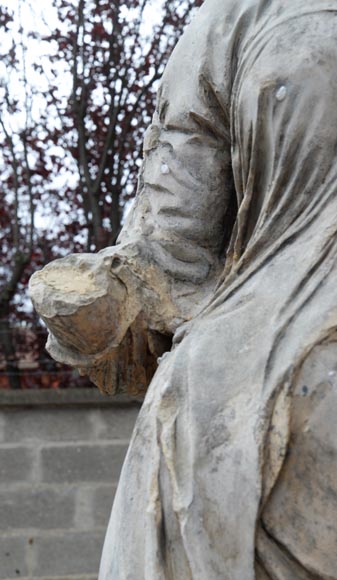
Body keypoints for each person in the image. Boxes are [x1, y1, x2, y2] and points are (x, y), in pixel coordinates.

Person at [30, 0, 337, 577]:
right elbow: (168, 256)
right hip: (258, 402)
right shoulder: (236, 22)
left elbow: (170, 255)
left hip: (254, 399)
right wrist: (98, 298)